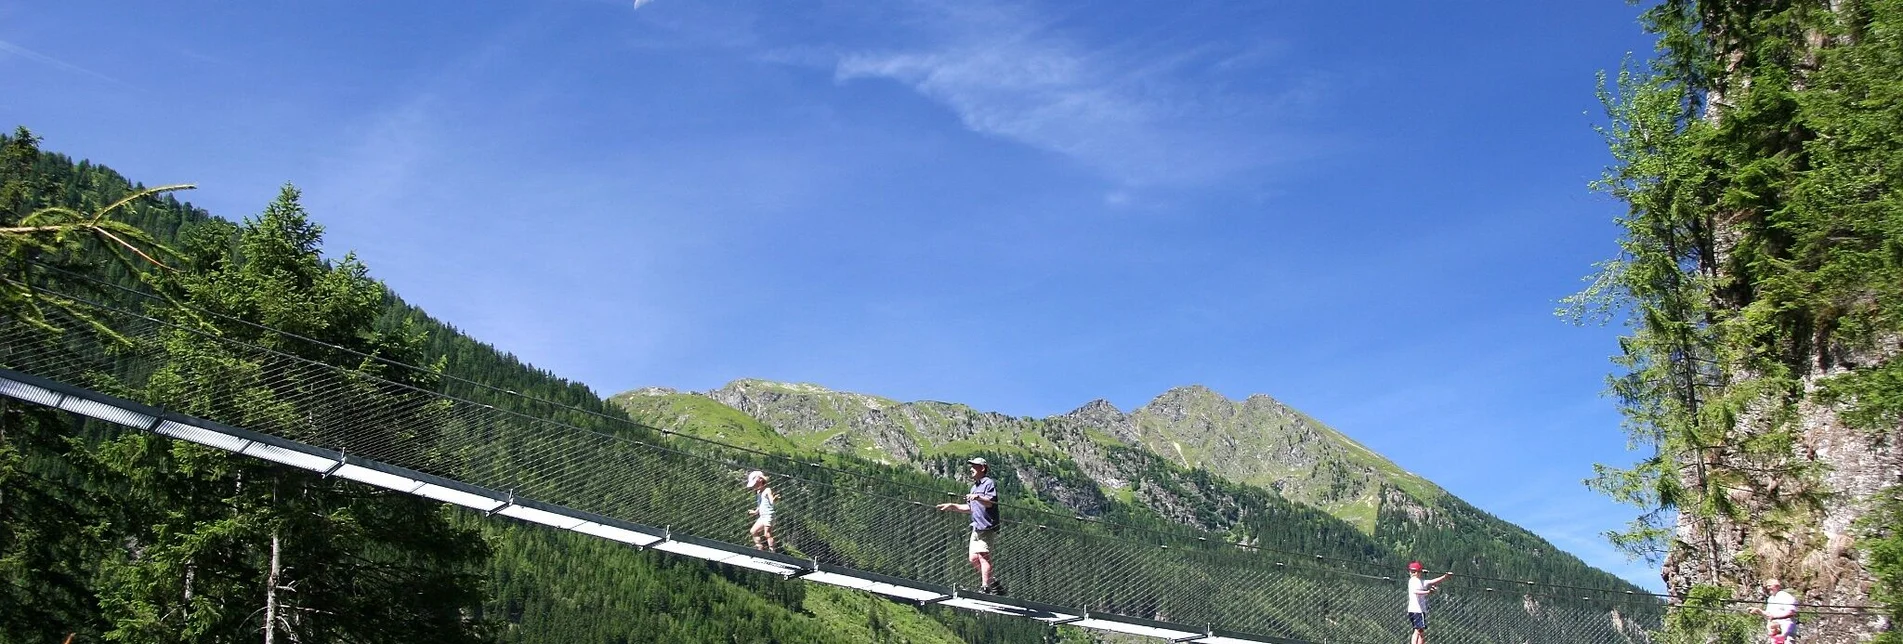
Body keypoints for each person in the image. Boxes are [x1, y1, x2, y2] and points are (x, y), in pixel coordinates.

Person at [936, 457, 1005, 595]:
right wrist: (953, 506)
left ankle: (985, 587)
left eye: (974, 466)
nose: (971, 469)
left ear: (983, 468)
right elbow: (971, 508)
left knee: (983, 556)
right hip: (976, 527)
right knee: (973, 558)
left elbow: (990, 503)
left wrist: (978, 498)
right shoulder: (974, 487)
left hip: (986, 527)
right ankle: (994, 583)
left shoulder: (988, 483)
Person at [1405, 561, 1452, 644]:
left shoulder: (1420, 581)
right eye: (1413, 572)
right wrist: (1428, 592)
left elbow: (1433, 581)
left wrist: (1444, 577)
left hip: (1413, 610)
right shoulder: (1414, 581)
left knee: (1421, 631)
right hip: (1418, 610)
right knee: (1418, 630)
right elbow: (1416, 592)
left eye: (1415, 572)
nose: (1414, 573)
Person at [1748, 578, 1799, 644]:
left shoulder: (1785, 596)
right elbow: (1769, 614)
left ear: (1777, 586)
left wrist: (1775, 617)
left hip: (1786, 629)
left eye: (1770, 586)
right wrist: (1758, 610)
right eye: (1767, 586)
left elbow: (1791, 612)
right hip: (1774, 632)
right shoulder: (1771, 598)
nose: (1768, 588)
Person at [745, 470, 778, 552]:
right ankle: (759, 547)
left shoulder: (767, 490)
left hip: (768, 515)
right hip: (762, 516)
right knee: (753, 531)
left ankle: (772, 550)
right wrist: (755, 512)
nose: (754, 487)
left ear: (760, 480)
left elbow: (771, 501)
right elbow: (760, 504)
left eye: (755, 485)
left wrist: (774, 499)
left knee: (767, 534)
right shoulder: (758, 492)